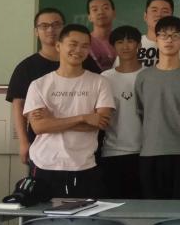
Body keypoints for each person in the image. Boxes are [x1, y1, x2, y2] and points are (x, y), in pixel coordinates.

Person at [23, 24, 114, 198]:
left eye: (84, 46)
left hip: (83, 166)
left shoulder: (100, 82)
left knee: (86, 215)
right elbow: (39, 127)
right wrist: (84, 118)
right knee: (42, 215)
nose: (78, 50)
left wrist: (53, 121)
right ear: (58, 46)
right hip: (44, 165)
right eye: (73, 44)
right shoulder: (39, 84)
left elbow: (101, 123)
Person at [7, 8, 101, 168]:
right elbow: (19, 105)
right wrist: (23, 142)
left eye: (56, 25)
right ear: (36, 32)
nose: (51, 29)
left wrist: (51, 121)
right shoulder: (26, 67)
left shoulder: (85, 62)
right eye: (44, 26)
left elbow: (100, 116)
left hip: (83, 151)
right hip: (43, 149)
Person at [134, 16, 180, 199]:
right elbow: (142, 114)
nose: (169, 40)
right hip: (151, 152)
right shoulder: (143, 77)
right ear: (156, 39)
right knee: (154, 208)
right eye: (164, 35)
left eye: (175, 36)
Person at [100, 25, 144, 199]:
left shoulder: (149, 75)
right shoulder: (105, 78)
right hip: (113, 151)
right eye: (119, 42)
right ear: (113, 46)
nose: (125, 46)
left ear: (139, 45)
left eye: (130, 41)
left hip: (145, 152)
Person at [138, 0, 180, 68]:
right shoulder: (133, 44)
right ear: (145, 16)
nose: (159, 15)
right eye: (154, 10)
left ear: (171, 17)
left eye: (165, 11)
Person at [86, 0, 116, 71]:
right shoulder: (84, 41)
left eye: (105, 8)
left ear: (114, 13)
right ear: (89, 17)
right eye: (95, 10)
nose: (100, 12)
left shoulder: (123, 40)